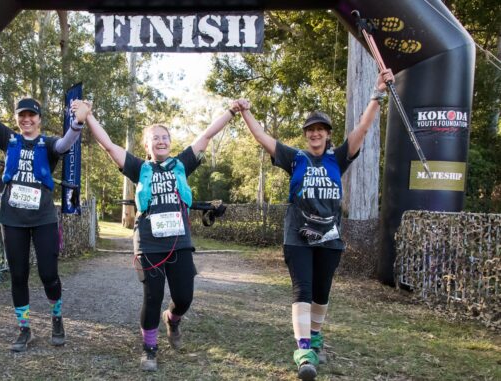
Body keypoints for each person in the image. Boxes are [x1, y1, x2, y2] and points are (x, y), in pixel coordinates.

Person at [237, 68, 394, 380]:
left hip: (331, 238)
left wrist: (378, 94)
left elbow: (363, 128)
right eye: (310, 130)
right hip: (297, 237)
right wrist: (245, 112)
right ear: (306, 134)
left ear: (327, 134)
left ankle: (317, 338)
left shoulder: (338, 157)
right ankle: (304, 351)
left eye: (320, 129)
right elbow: (261, 137)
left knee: (322, 291)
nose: (315, 133)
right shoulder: (295, 158)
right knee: (303, 289)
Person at [71, 99, 239, 371]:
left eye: (164, 137)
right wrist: (88, 116)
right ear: (146, 146)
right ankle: (149, 349)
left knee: (184, 297)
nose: (160, 141)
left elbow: (207, 135)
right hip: (149, 243)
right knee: (152, 297)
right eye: (154, 139)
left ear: (170, 142)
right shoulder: (140, 168)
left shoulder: (182, 163)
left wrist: (232, 111)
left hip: (180, 242)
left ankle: (172, 319)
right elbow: (109, 146)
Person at [0, 41, 85, 352]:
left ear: (39, 119)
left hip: (42, 218)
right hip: (12, 218)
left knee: (48, 274)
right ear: (17, 118)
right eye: (22, 115)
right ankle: (24, 328)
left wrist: (78, 122)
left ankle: (56, 316)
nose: (27, 119)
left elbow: (68, 142)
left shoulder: (49, 144)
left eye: (32, 115)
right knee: (17, 274)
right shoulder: (9, 139)